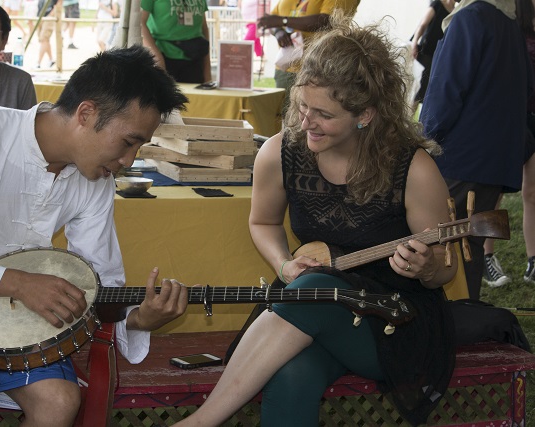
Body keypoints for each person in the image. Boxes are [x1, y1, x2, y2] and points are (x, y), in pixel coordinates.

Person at [0, 45, 190, 427]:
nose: (128, 160)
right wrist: (20, 284)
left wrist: (140, 317)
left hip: (15, 320)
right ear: (86, 114)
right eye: (128, 142)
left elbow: (100, 282)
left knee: (59, 400)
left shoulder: (96, 181)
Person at [175, 13, 457, 427]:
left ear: (365, 114)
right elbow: (264, 224)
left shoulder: (412, 169)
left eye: (322, 114)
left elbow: (444, 268)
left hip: (393, 322)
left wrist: (430, 266)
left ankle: (201, 422)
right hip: (305, 306)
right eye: (301, 105)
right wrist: (283, 264)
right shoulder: (280, 152)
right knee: (291, 373)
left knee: (318, 288)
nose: (305, 121)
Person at [420, 0, 533, 300]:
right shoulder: (507, 22)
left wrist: (421, 139)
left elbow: (444, 94)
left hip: (460, 158)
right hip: (491, 161)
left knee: (440, 242)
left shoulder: (470, 19)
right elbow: (527, 89)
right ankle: (465, 316)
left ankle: (451, 322)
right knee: (468, 247)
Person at [482, 0, 535, 287]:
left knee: (532, 194)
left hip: (529, 119)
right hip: (514, 120)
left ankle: (533, 261)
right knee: (495, 191)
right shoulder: (510, 27)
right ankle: (486, 258)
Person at [257, 0, 359, 115]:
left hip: (320, 70)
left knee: (311, 120)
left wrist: (283, 21)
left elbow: (328, 21)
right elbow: (271, 20)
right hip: (286, 66)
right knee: (286, 121)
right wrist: (279, 32)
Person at [140, 0, 212, 83]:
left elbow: (204, 28)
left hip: (195, 57)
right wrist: (156, 57)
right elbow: (140, 23)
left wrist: (207, 68)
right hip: (163, 57)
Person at [409, 0, 457, 110]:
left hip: (439, 57)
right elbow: (422, 25)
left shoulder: (456, 12)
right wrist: (414, 44)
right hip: (426, 53)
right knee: (418, 90)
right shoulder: (437, 4)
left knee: (428, 92)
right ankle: (407, 121)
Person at [37, 0, 59, 68]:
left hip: (49, 14)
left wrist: (51, 14)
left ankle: (38, 63)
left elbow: (59, 3)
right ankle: (51, 59)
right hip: (41, 14)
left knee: (44, 39)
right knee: (43, 40)